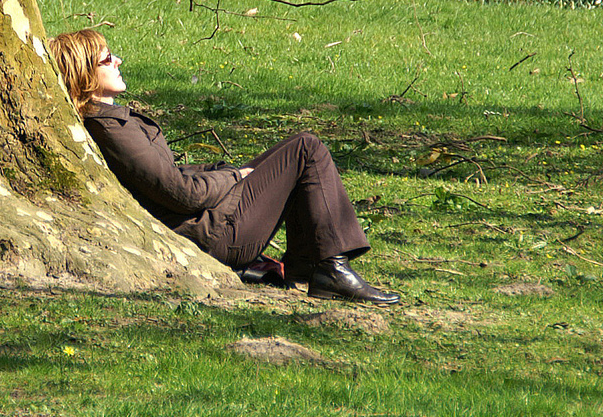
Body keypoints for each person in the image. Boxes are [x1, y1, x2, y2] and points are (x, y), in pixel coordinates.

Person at [46, 28, 399, 305]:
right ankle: (330, 270)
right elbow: (182, 194)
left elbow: (166, 175)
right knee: (306, 150)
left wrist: (219, 169)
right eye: (107, 60)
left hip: (209, 224)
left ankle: (314, 267)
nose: (118, 61)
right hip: (213, 235)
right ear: (84, 75)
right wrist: (233, 176)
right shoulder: (110, 129)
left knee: (294, 153)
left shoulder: (111, 122)